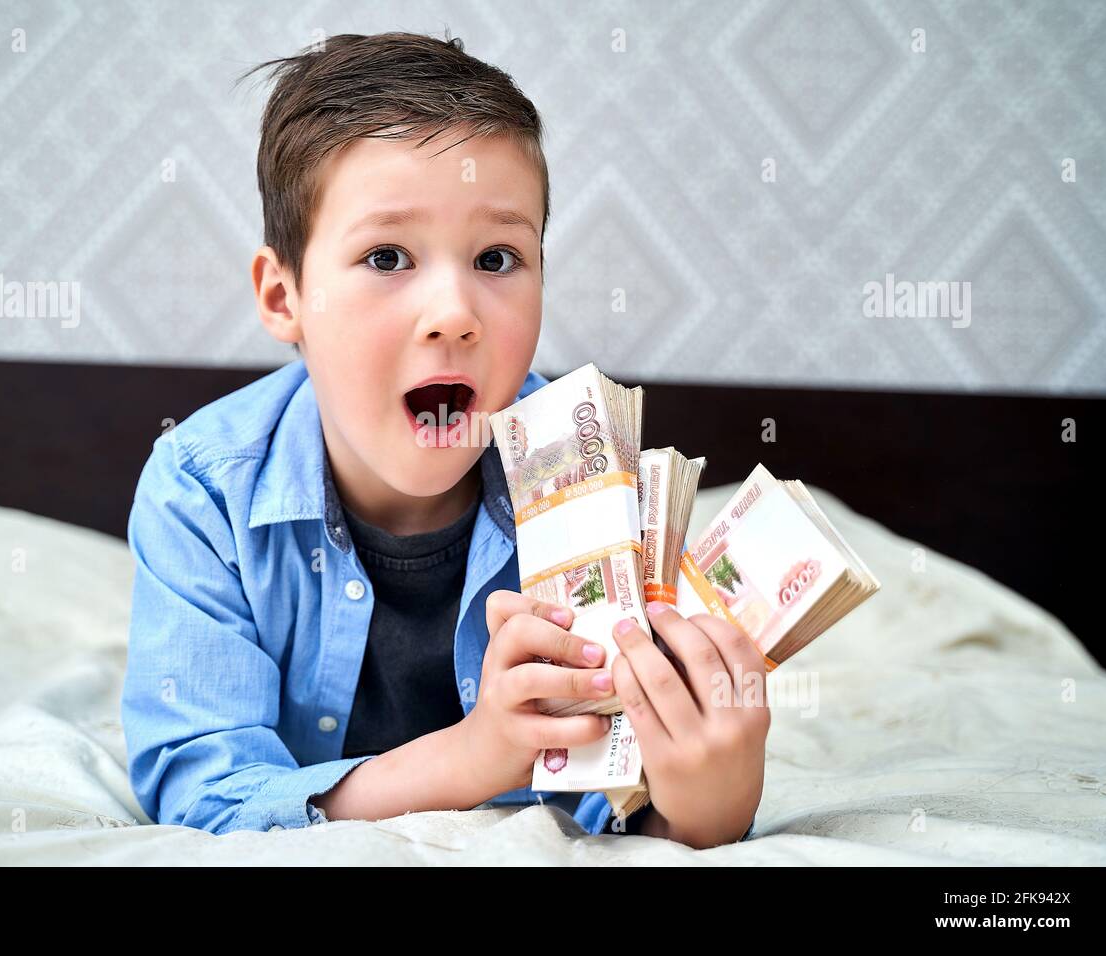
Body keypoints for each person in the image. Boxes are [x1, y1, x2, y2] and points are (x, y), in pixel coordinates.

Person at [121, 30, 766, 846]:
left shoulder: (594, 480)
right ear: (285, 297)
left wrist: (712, 801)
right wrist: (478, 756)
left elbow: (624, 802)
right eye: (387, 256)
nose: (457, 313)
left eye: (497, 257)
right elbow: (206, 793)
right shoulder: (201, 490)